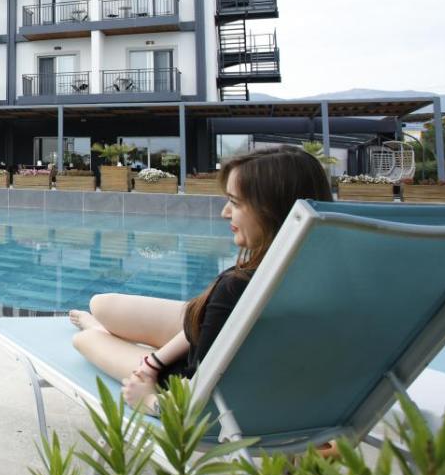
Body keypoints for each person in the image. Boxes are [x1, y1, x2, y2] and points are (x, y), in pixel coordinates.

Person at [69, 147, 332, 412]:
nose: (225, 213)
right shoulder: (322, 275)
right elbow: (216, 321)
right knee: (101, 304)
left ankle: (101, 331)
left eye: (235, 203)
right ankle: (103, 326)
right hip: (230, 339)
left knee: (86, 340)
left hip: (190, 376)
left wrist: (149, 400)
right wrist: (154, 362)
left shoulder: (237, 287)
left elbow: (197, 398)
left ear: (270, 209)